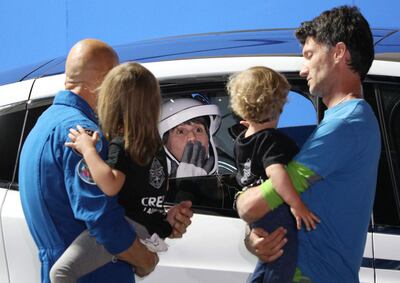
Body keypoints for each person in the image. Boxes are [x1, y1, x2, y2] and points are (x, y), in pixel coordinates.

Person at [19, 39, 192, 283]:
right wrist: (144, 258)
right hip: (96, 274)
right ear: (104, 80)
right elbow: (102, 219)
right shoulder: (85, 134)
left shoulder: (45, 124)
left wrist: (160, 220)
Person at [236, 6, 380, 283]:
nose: (303, 70)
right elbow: (270, 201)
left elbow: (252, 207)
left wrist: (241, 202)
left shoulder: (345, 125)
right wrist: (253, 238)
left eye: (309, 55)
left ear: (339, 52)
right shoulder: (336, 123)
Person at [228, 66, 320, 283]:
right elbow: (277, 174)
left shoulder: (242, 139)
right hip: (275, 212)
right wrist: (297, 205)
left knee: (268, 261)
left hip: (257, 218)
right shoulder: (272, 140)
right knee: (283, 260)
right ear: (278, 106)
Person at [159, 97, 221, 178]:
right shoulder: (149, 185)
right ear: (165, 143)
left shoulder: (230, 173)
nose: (192, 137)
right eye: (181, 131)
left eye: (198, 130)